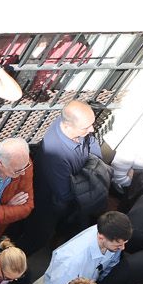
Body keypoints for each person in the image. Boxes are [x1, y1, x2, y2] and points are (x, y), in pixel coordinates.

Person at [34, 101, 103, 243]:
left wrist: (96, 164)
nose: (91, 129)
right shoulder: (54, 155)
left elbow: (92, 142)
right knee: (40, 235)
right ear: (67, 125)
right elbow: (65, 193)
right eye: (86, 127)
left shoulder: (74, 127)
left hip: (77, 189)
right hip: (52, 205)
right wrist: (92, 177)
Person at [43, 212, 132, 284]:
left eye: (125, 243)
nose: (122, 248)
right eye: (119, 244)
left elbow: (111, 264)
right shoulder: (73, 260)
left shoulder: (111, 237)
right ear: (101, 238)